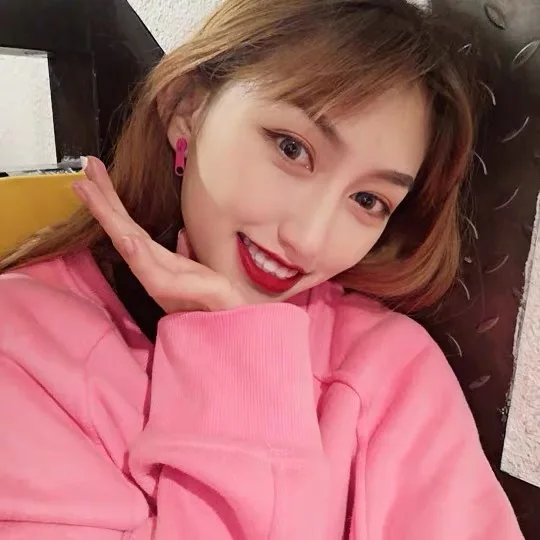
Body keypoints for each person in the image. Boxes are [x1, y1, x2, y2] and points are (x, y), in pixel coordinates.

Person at [0, 0, 524, 538]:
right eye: (292, 149)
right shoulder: (23, 347)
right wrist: (234, 357)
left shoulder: (394, 369)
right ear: (187, 108)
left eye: (368, 200)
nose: (309, 239)